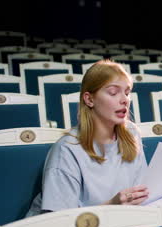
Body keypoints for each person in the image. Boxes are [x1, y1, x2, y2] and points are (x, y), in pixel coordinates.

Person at [27, 60, 149, 216]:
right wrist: (112, 206)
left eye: (127, 92)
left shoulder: (132, 134)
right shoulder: (67, 148)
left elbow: (141, 193)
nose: (124, 99)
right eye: (113, 92)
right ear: (89, 99)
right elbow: (60, 222)